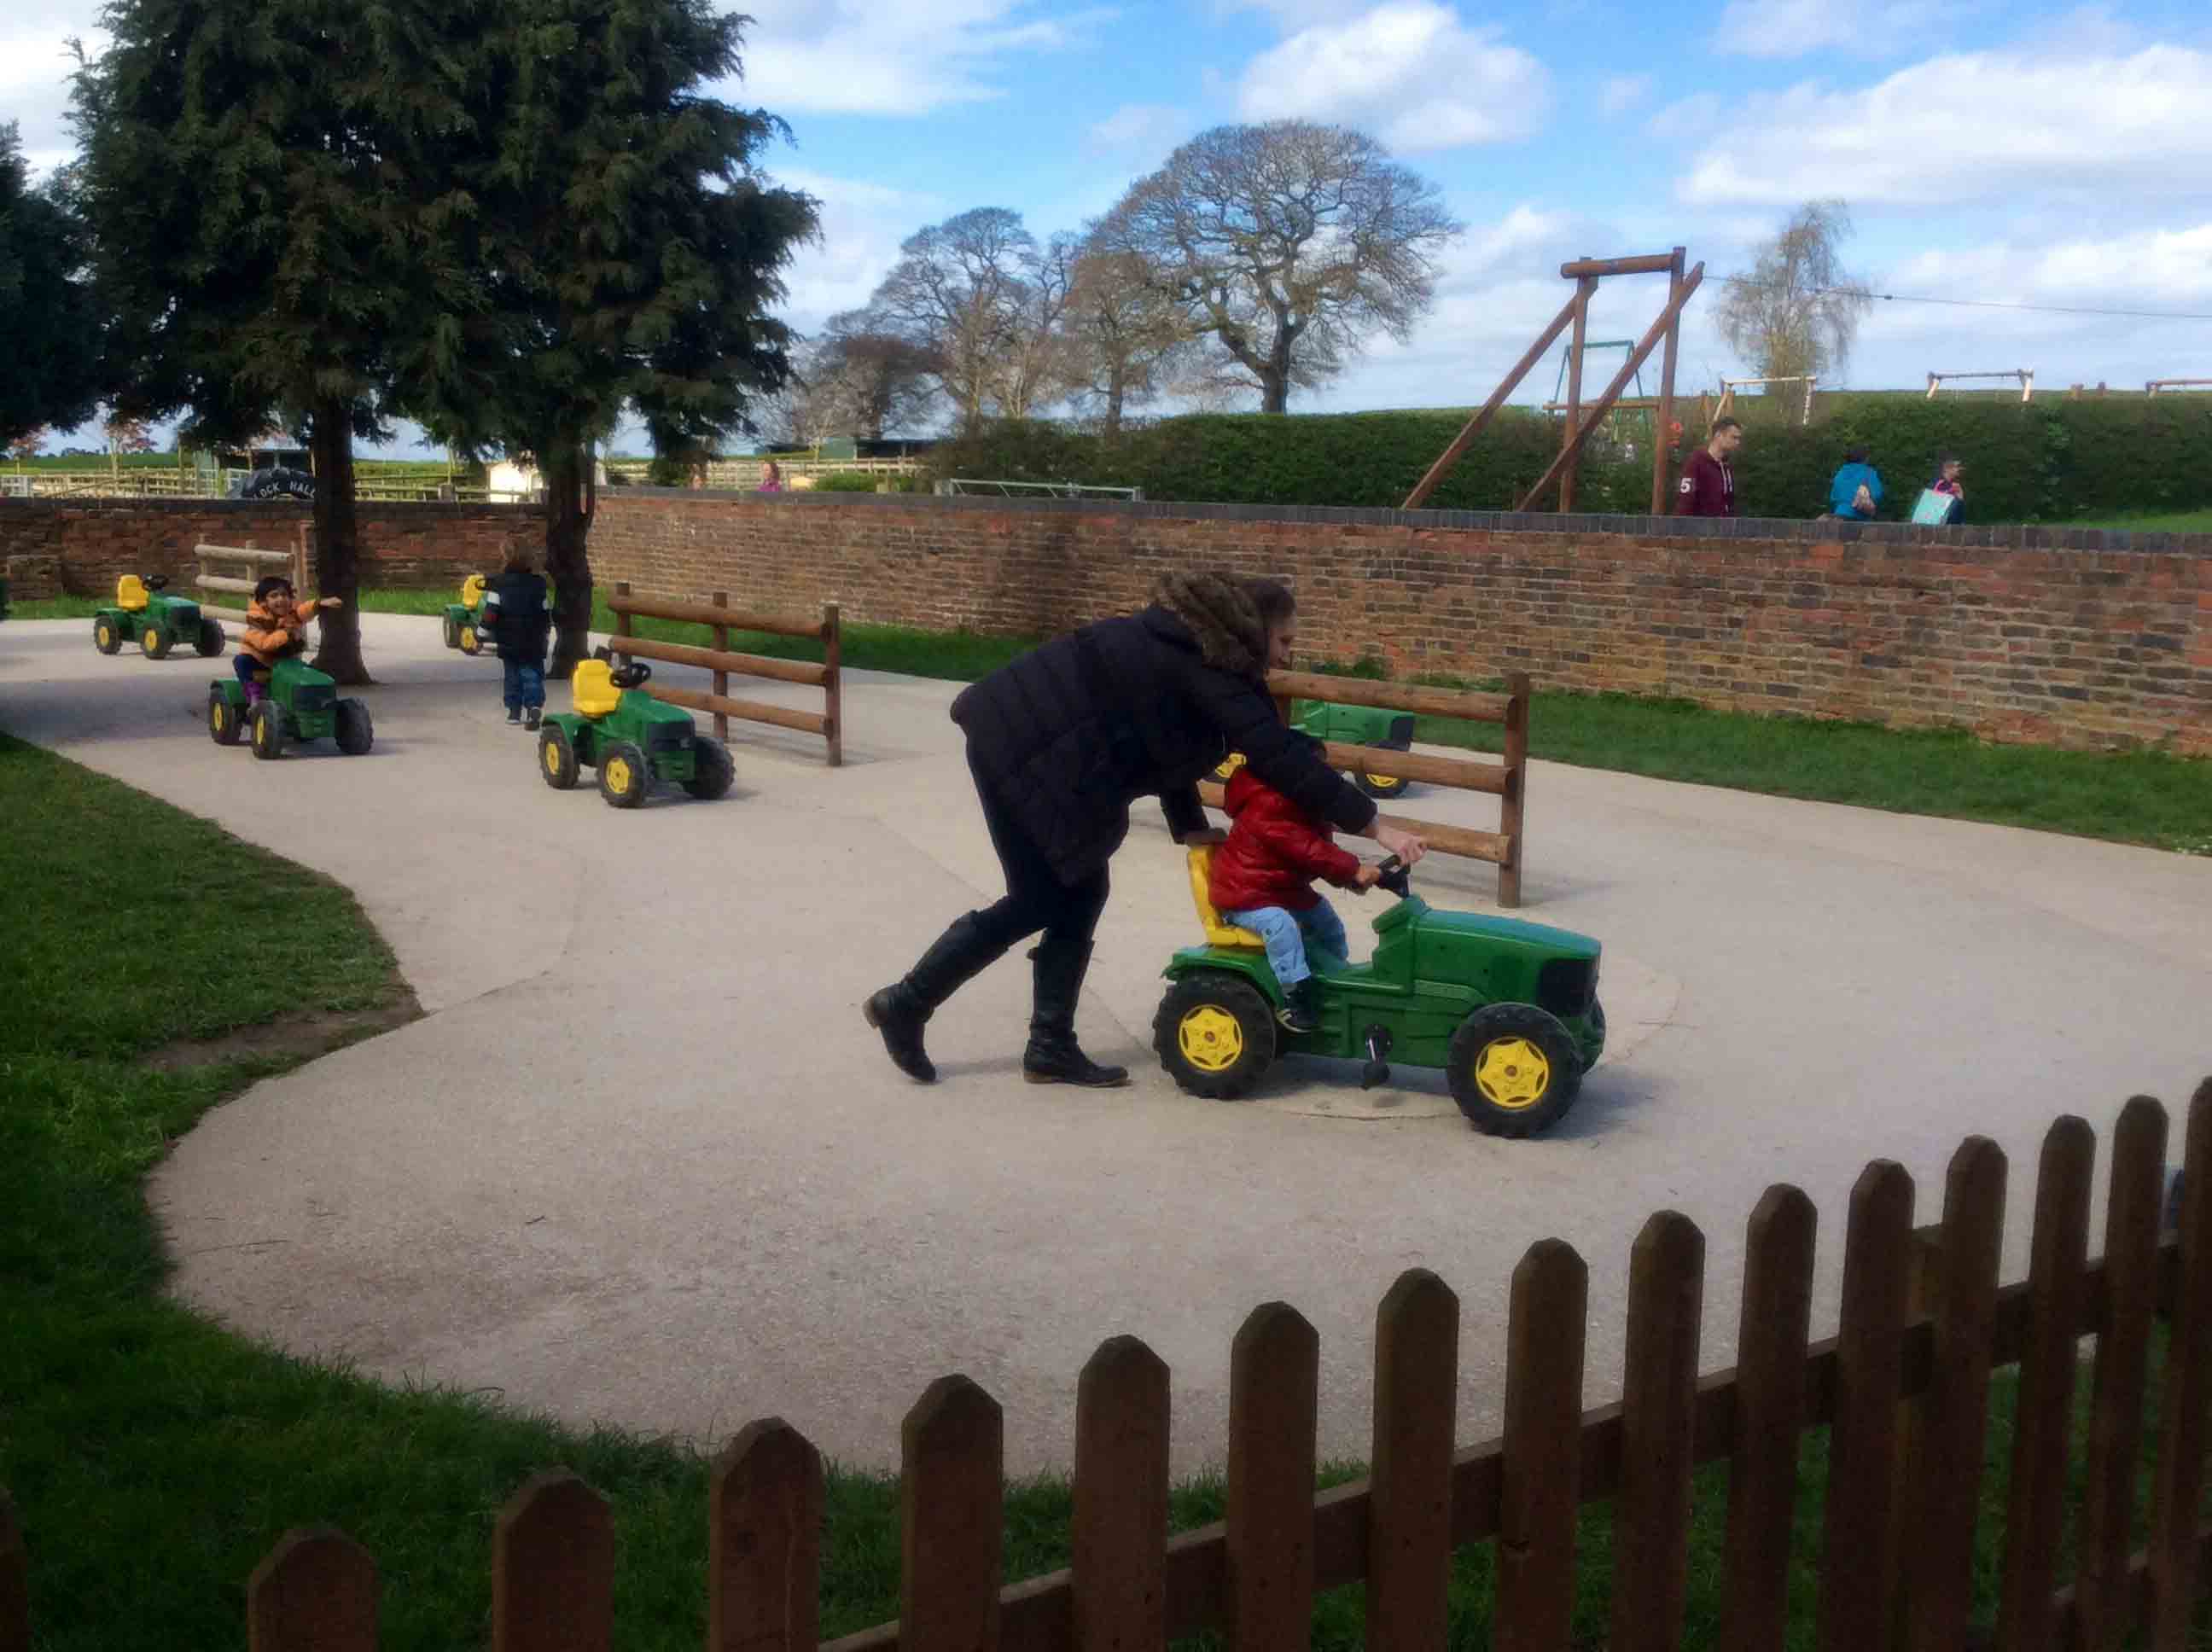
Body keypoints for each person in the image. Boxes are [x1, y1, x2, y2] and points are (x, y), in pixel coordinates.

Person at [863, 572, 1429, 1088]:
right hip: (1023, 744)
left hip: (1028, 740)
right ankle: (909, 1003)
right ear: (1252, 632)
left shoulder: (1195, 649)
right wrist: (1376, 826)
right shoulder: (1206, 665)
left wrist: (1188, 824)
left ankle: (1048, 1045)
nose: (1286, 656)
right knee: (1042, 897)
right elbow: (1278, 755)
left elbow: (1158, 733)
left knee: (1080, 888)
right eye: (1283, 642)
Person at [1210, 736, 1385, 1032]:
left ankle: (1333, 976)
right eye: (1311, 769)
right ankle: (1296, 996)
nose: (1316, 777)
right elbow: (1305, 847)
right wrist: (1353, 868)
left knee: (1325, 919)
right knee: (1281, 925)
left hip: (1281, 889)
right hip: (1245, 894)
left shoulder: (1301, 804)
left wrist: (1347, 878)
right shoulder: (1265, 805)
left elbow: (1314, 854)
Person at [479, 546, 553, 728]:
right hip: (534, 639)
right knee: (532, 673)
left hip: (508, 639)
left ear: (506, 560)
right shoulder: (539, 584)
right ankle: (534, 705)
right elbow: (545, 611)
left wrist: (481, 634)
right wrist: (546, 630)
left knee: (512, 675)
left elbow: (491, 613)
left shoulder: (499, 584)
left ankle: (514, 710)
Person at [236, 576, 340, 701]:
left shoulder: (290, 615)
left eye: (285, 595)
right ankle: (253, 694)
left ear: (290, 599)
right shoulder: (257, 622)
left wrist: (320, 604)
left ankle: (321, 702)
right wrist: (286, 633)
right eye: (274, 596)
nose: (281, 599)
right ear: (263, 602)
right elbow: (265, 644)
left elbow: (303, 610)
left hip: (285, 662)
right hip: (259, 661)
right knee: (241, 661)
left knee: (311, 673)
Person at [1674, 417, 1740, 517]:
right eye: (1733, 437)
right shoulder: (1695, 463)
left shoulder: (1727, 465)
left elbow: (1729, 501)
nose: (1737, 442)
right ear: (1718, 436)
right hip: (1700, 529)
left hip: (1724, 529)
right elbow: (1685, 500)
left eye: (1738, 438)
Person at [1827, 445, 1883, 520]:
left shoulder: (1840, 473)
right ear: (1865, 459)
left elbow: (1833, 497)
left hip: (1839, 516)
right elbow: (1877, 494)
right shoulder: (1869, 472)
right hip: (1860, 516)